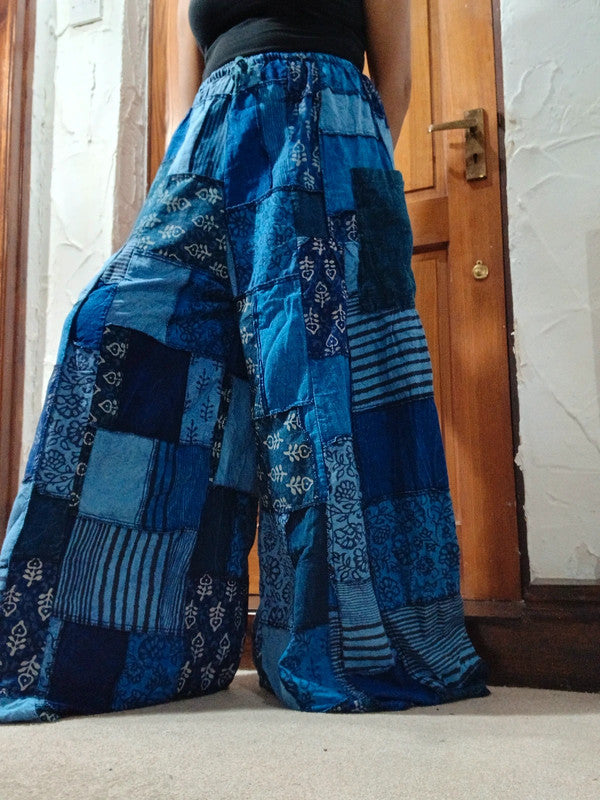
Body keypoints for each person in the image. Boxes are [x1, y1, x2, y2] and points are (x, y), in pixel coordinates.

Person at [0, 0, 491, 723]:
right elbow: (183, 99)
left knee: (317, 396)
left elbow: (398, 77)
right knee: (114, 327)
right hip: (211, 147)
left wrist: (342, 166)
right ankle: (144, 647)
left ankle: (333, 644)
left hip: (331, 135)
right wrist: (187, 170)